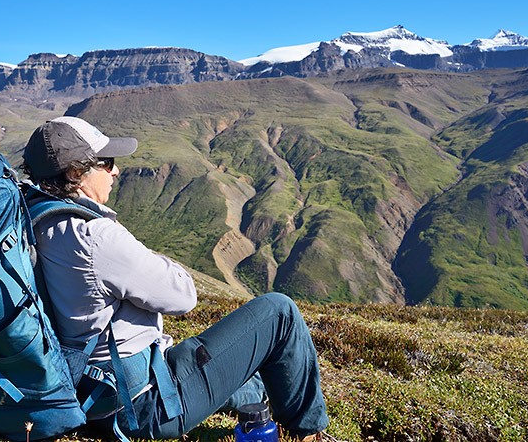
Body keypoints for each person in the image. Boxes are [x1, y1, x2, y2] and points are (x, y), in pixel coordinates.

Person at [21, 116, 339, 441]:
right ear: (76, 173)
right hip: (142, 405)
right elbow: (183, 296)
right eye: (106, 162)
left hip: (87, 392)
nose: (115, 171)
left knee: (241, 375)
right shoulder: (96, 236)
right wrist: (139, 250)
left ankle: (256, 399)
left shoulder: (34, 218)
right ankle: (309, 432)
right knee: (279, 312)